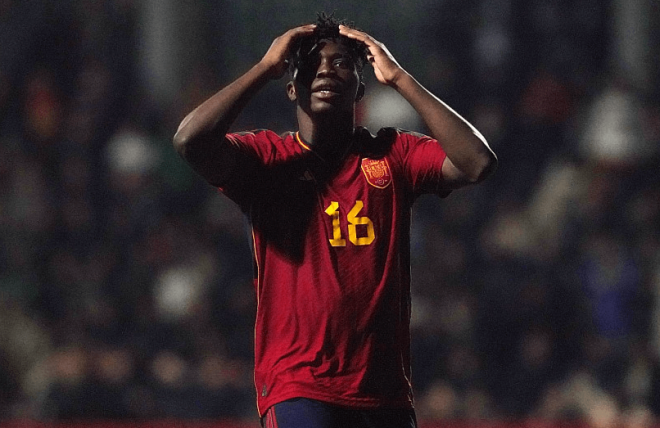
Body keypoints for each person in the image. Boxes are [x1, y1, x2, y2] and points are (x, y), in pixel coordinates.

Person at [173, 13, 497, 428]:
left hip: (384, 393)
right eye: (311, 63)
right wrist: (264, 69)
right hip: (300, 386)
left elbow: (477, 162)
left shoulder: (392, 154)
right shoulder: (266, 159)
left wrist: (399, 78)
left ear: (360, 87)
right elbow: (189, 140)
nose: (326, 69)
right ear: (291, 88)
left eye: (342, 62)